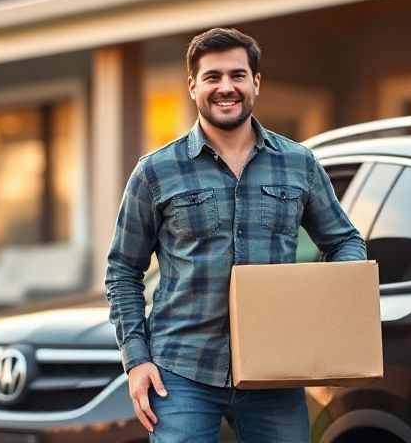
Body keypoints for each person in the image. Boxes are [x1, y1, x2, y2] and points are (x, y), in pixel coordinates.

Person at [105, 27, 366, 442]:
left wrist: (329, 299)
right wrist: (136, 361)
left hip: (275, 371)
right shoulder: (155, 171)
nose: (226, 87)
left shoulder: (298, 164)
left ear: (255, 83)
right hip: (181, 371)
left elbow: (345, 241)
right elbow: (122, 269)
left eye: (237, 75)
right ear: (192, 86)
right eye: (212, 77)